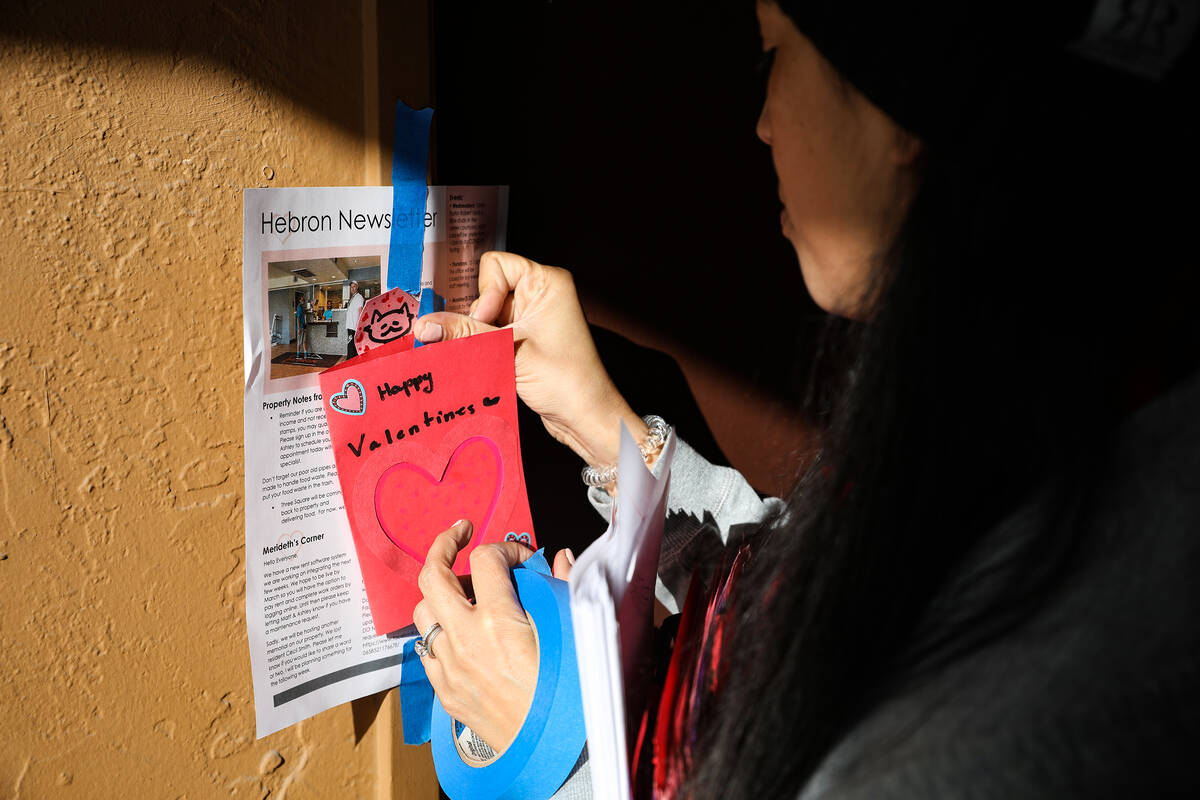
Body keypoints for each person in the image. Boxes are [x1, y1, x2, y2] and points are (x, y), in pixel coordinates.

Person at [407, 1, 1200, 797]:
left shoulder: (1053, 689)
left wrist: (554, 745)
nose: (762, 125)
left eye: (774, 56)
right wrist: (606, 429)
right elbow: (801, 610)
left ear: (902, 98)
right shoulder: (1043, 441)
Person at [345, 280, 364, 359]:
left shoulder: (359, 297)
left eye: (354, 286)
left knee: (351, 344)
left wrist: (359, 324)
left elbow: (360, 310)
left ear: (357, 287)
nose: (352, 288)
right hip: (350, 325)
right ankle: (353, 360)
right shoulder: (353, 297)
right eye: (351, 287)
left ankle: (350, 360)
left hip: (354, 325)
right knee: (352, 344)